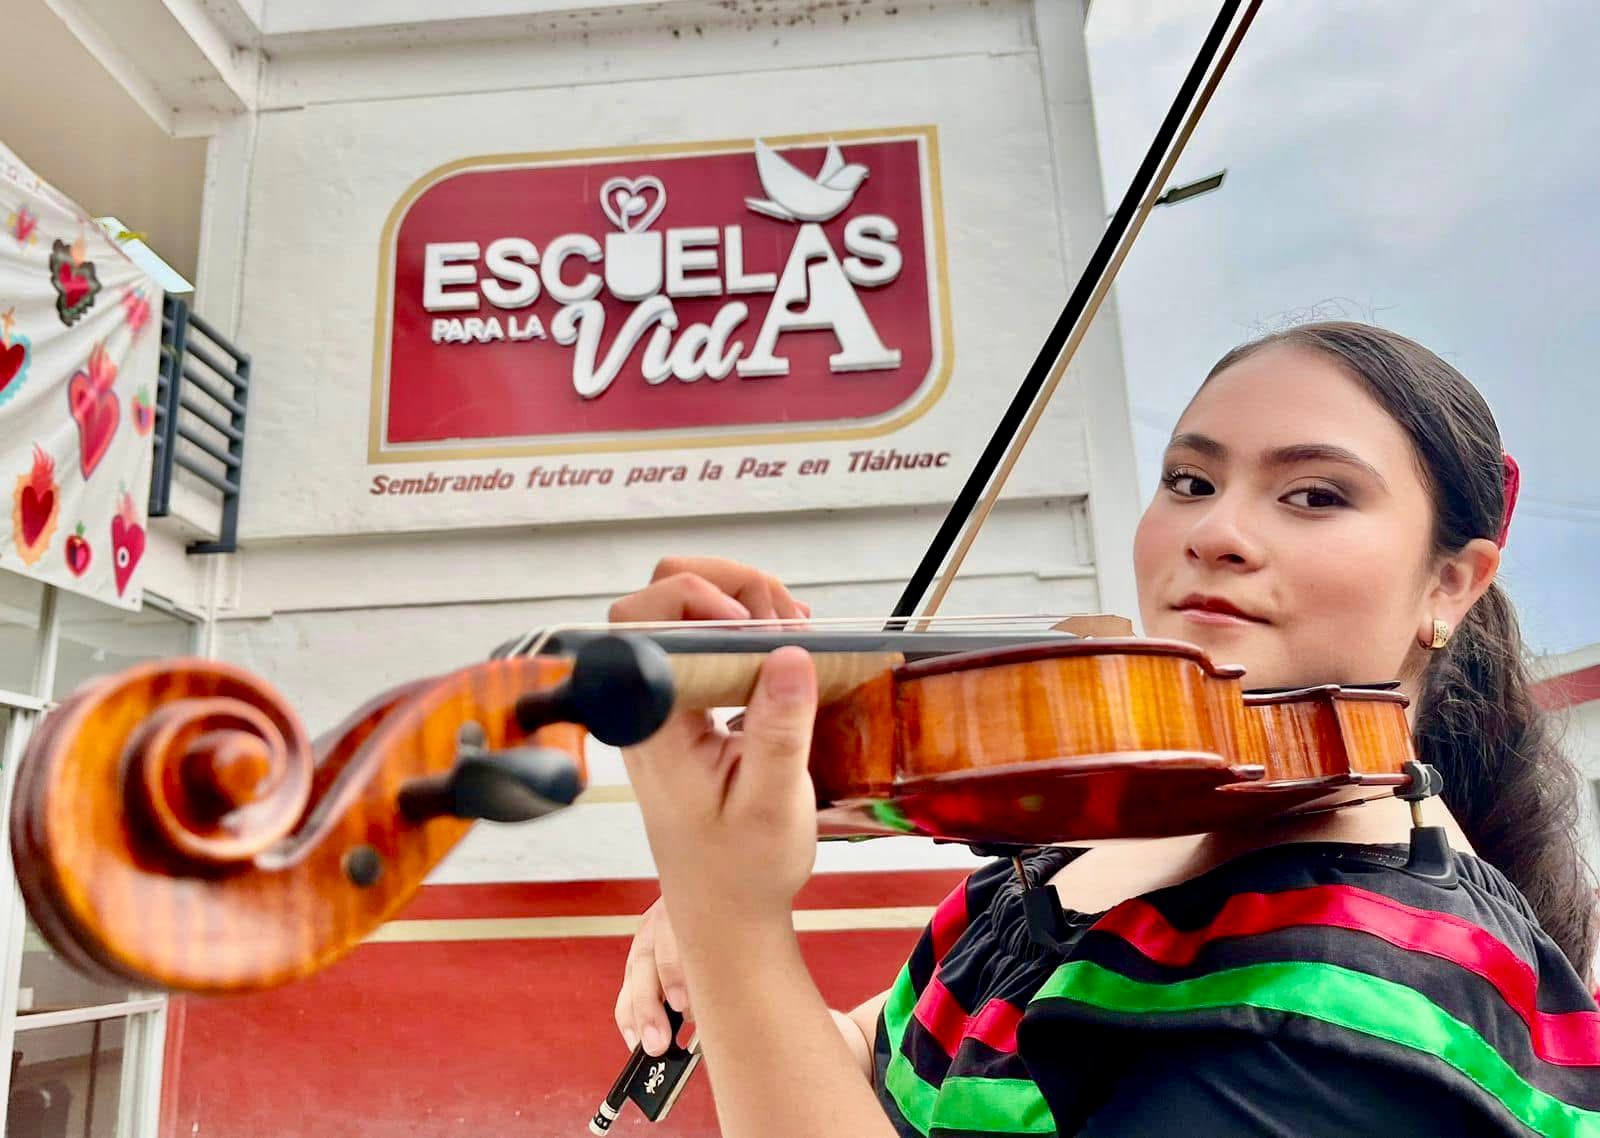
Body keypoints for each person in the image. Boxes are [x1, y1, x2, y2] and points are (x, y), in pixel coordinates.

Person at [609, 322, 1600, 1136]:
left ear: (1449, 584)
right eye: (1190, 481)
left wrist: (730, 924)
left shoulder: (1356, 997)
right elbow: (870, 1088)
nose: (1213, 531)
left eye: (1313, 494)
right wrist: (733, 947)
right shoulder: (1086, 854)